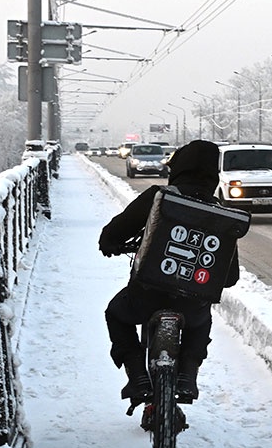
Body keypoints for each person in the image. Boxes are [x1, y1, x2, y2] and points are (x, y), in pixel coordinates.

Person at [98, 140, 240, 403]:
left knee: (116, 313)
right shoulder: (219, 212)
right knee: (201, 321)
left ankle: (138, 376)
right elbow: (230, 277)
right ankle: (187, 375)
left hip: (145, 298)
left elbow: (113, 233)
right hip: (191, 305)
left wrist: (110, 244)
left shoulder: (159, 197)